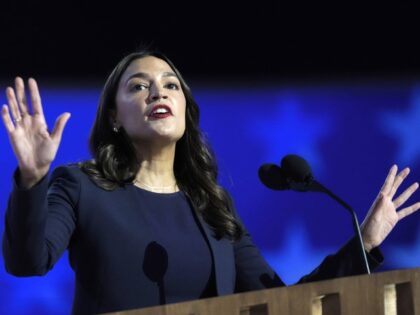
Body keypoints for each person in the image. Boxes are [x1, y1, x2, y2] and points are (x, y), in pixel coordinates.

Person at [2, 49, 419, 315]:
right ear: (114, 117)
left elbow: (283, 301)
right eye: (138, 86)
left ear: (184, 106)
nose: (157, 93)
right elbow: (27, 262)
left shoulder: (213, 209)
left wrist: (362, 244)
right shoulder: (82, 186)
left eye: (170, 86)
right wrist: (32, 180)